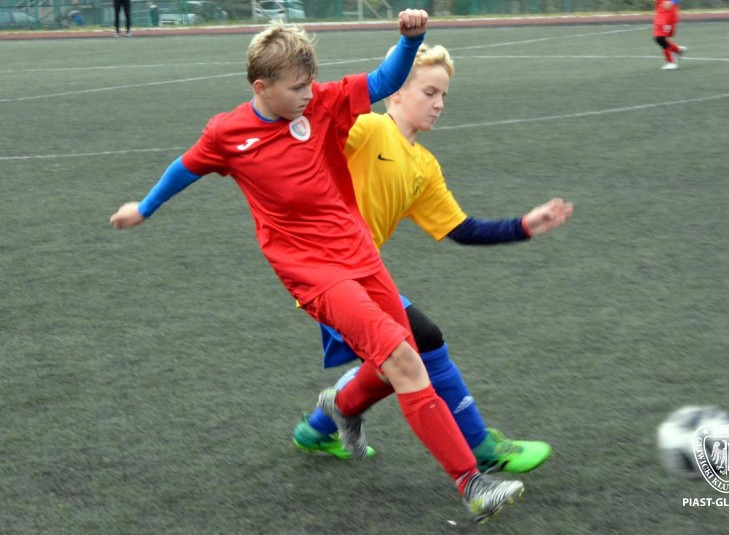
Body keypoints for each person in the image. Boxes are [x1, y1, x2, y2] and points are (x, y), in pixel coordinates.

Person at [109, 13, 527, 524]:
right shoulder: (227, 133)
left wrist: (410, 40)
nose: (308, 95)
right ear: (261, 88)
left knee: (399, 359)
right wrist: (145, 207)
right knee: (403, 358)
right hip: (314, 274)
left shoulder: (324, 103)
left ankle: (340, 409)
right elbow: (186, 167)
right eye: (296, 88)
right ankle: (471, 483)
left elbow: (383, 81)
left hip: (361, 256)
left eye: (311, 83)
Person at [292, 44, 573, 476]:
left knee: (394, 360)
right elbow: (317, 135)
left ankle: (319, 427)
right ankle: (481, 446)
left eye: (443, 95)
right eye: (429, 92)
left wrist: (524, 225)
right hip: (324, 273)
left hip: (363, 274)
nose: (439, 103)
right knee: (422, 339)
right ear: (395, 92)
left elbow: (461, 228)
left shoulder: (424, 165)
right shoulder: (368, 128)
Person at [653, 0, 686, 70]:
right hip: (660, 15)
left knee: (660, 38)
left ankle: (671, 62)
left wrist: (673, 1)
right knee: (658, 39)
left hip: (668, 16)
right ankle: (677, 50)